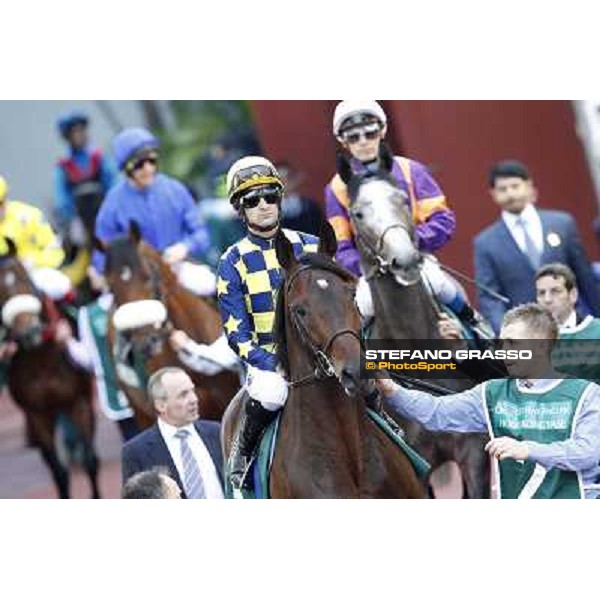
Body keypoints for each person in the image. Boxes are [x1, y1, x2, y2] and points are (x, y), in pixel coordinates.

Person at [377, 304, 600, 499]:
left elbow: (588, 452)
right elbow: (437, 412)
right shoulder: (492, 392)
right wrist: (392, 390)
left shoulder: (587, 394)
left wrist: (527, 449)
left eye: (513, 343)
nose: (504, 351)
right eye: (502, 343)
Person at [324, 100, 480, 329]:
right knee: (362, 308)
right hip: (373, 272)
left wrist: (409, 242)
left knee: (439, 285)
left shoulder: (411, 170)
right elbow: (340, 245)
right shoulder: (336, 187)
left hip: (415, 257)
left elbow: (442, 220)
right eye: (354, 137)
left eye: (370, 133)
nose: (364, 142)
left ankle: (477, 331)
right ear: (342, 141)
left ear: (383, 130)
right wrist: (365, 265)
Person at [213, 156, 320, 487]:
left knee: (364, 373)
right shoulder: (232, 261)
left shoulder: (310, 245)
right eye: (252, 200)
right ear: (240, 209)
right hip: (269, 366)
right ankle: (243, 455)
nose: (264, 205)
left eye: (270, 196)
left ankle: (392, 430)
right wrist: (273, 362)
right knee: (273, 394)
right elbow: (236, 333)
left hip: (320, 353)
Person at [474, 159, 600, 333]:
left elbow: (585, 278)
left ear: (529, 186)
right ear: (493, 194)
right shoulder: (485, 243)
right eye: (503, 189)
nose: (510, 194)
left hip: (575, 326)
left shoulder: (562, 224)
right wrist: (506, 332)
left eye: (515, 186)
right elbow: (490, 297)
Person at [91, 127, 216, 297]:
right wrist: (98, 271)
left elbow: (201, 233)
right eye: (140, 164)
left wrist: (185, 247)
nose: (148, 168)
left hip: (178, 267)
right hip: (138, 277)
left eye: (152, 161)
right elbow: (102, 251)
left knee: (209, 284)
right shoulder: (112, 205)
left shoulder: (175, 189)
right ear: (126, 168)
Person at [121, 367, 224, 499]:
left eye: (193, 390)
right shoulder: (135, 452)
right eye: (183, 394)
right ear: (161, 405)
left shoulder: (217, 432)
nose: (194, 399)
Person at [0, 175, 73, 302]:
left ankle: (76, 318)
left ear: (6, 197)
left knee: (62, 285)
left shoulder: (29, 215)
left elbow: (56, 252)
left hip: (34, 272)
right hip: (3, 280)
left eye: (0, 202)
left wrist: (33, 262)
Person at [54, 110, 115, 244]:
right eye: (75, 132)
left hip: (105, 210)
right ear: (67, 137)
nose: (80, 135)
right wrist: (70, 215)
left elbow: (112, 183)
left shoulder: (99, 157)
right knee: (75, 241)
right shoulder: (63, 165)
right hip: (79, 218)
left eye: (82, 130)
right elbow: (62, 198)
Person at [536, 263, 600, 382]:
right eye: (541, 293)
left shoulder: (596, 330)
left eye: (555, 291)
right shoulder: (529, 336)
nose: (547, 299)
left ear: (573, 295)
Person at [276, 161, 322, 235]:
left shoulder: (310, 207)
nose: (284, 183)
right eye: (280, 179)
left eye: (287, 177)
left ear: (296, 179)